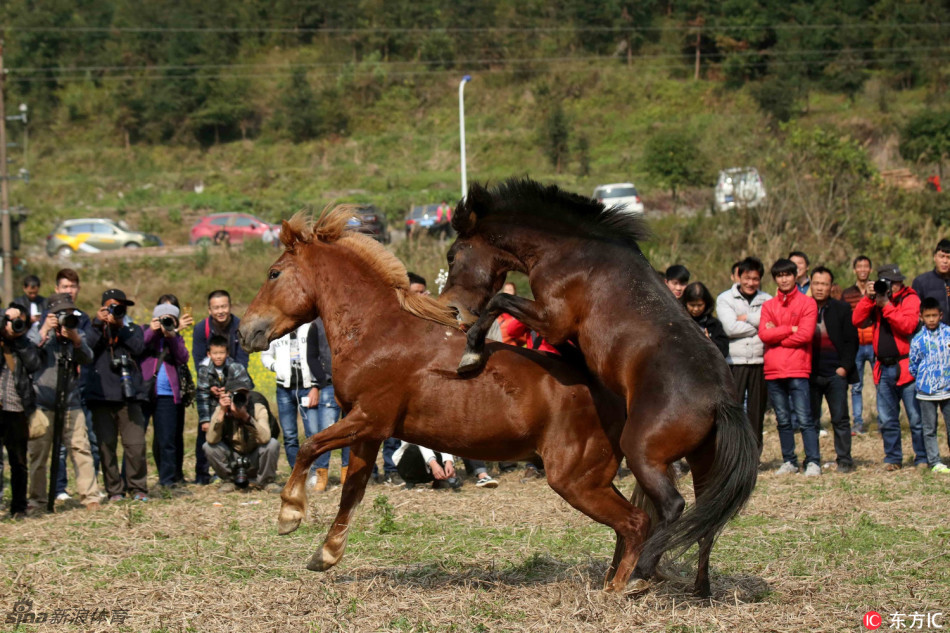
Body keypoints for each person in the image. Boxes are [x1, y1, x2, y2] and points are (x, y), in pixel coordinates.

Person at [27, 293, 100, 510]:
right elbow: (29, 357)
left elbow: (88, 358)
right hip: (42, 401)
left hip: (71, 401)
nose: (65, 317)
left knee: (81, 448)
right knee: (39, 454)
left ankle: (90, 497)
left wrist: (76, 340)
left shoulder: (74, 331)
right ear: (50, 314)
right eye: (61, 314)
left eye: (69, 313)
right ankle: (37, 499)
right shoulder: (38, 331)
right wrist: (44, 332)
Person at [852, 264, 926, 471]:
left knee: (916, 417)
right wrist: (869, 299)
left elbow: (907, 326)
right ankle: (893, 458)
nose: (892, 286)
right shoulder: (874, 299)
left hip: (906, 365)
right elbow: (857, 320)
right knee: (887, 419)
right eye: (888, 283)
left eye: (896, 282)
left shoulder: (910, 298)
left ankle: (921, 457)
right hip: (882, 367)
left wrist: (886, 305)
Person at [83, 289, 149, 502]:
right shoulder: (93, 328)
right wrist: (98, 323)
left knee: (136, 445)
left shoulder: (132, 328)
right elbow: (87, 350)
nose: (117, 311)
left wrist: (121, 327)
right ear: (103, 307)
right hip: (101, 395)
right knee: (106, 445)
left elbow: (139, 348)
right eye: (112, 306)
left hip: (129, 395)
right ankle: (114, 490)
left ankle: (138, 487)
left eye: (121, 307)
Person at [759, 258, 819, 476]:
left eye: (787, 275)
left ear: (796, 276)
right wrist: (789, 328)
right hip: (774, 370)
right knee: (782, 420)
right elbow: (764, 334)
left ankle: (813, 461)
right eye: (779, 275)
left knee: (804, 418)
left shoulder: (807, 303)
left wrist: (778, 332)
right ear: (775, 278)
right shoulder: (769, 305)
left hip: (798, 368)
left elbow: (805, 335)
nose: (784, 279)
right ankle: (789, 460)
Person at [716, 257, 771, 450]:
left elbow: (774, 325)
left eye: (755, 279)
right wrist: (761, 326)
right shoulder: (725, 299)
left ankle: (754, 454)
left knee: (757, 411)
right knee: (733, 410)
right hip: (735, 361)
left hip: (760, 361)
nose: (750, 283)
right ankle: (731, 452)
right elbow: (730, 328)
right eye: (747, 278)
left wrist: (747, 318)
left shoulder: (768, 300)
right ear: (739, 277)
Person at [808, 267, 858, 473]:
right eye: (817, 284)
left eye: (824, 284)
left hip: (835, 373)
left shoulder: (842, 309)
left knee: (840, 418)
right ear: (811, 284)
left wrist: (844, 368)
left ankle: (844, 459)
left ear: (831, 286)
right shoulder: (804, 307)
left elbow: (851, 341)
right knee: (810, 420)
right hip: (810, 374)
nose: (820, 288)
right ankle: (812, 459)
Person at [139, 302, 189, 490]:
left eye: (170, 320)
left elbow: (183, 357)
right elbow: (137, 348)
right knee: (136, 439)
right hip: (144, 393)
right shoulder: (145, 332)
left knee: (167, 440)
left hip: (168, 396)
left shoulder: (176, 338)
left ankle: (167, 480)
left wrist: (172, 336)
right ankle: (132, 480)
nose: (166, 322)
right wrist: (152, 331)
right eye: (163, 319)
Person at [261, 324, 322, 475]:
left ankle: (314, 472)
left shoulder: (309, 327)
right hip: (284, 389)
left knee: (313, 433)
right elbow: (265, 355)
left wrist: (316, 386)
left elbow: (319, 355)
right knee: (289, 435)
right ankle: (297, 473)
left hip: (307, 387)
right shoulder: (275, 329)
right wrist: (277, 367)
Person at [0, 302, 41, 518]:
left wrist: (20, 340)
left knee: (18, 461)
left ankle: (19, 507)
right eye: (12, 321)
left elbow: (34, 364)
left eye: (19, 322)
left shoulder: (25, 343)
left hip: (16, 407)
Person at [196, 335, 253, 484]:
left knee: (233, 440)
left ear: (227, 353)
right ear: (209, 354)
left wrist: (228, 391)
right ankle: (214, 473)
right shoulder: (204, 369)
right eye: (215, 353)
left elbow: (246, 385)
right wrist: (205, 419)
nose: (218, 356)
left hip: (234, 409)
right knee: (212, 441)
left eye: (221, 353)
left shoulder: (236, 367)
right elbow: (201, 395)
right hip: (215, 410)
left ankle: (240, 469)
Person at [203, 386, 280, 493]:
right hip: (233, 458)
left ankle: (267, 481)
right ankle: (228, 481)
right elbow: (211, 439)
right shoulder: (221, 409)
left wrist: (247, 418)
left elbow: (265, 438)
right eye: (235, 396)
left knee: (272, 444)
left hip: (254, 457)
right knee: (208, 447)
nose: (240, 399)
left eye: (243, 395)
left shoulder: (257, 408)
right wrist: (221, 412)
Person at [304, 317, 350, 492]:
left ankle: (347, 472)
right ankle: (321, 474)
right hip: (330, 386)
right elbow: (311, 357)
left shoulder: (350, 319)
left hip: (350, 385)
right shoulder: (315, 325)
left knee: (350, 432)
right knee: (326, 432)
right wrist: (323, 381)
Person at [908, 297, 950, 473]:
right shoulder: (918, 339)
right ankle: (934, 461)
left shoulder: (948, 333)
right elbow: (913, 365)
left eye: (934, 315)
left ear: (940, 315)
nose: (931, 319)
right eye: (928, 316)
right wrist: (924, 379)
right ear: (921, 317)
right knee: (929, 427)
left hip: (948, 390)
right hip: (926, 392)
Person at [842, 255, 875, 435]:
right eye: (859, 267)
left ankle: (884, 421)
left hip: (875, 343)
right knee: (856, 385)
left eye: (866, 266)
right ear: (854, 270)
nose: (862, 269)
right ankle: (858, 422)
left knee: (880, 383)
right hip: (856, 345)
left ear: (870, 269)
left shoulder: (877, 290)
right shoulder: (847, 294)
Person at [192, 290, 250, 370]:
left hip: (237, 376)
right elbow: (199, 362)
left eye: (224, 306)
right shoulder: (201, 329)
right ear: (209, 310)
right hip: (209, 376)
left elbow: (242, 360)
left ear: (230, 307)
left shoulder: (241, 327)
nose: (220, 311)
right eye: (216, 308)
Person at [681, 282, 728, 358]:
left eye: (699, 305)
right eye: (692, 305)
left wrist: (710, 342)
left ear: (706, 303)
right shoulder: (680, 323)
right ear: (685, 303)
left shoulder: (714, 324)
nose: (696, 309)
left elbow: (724, 350)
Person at [392, 440, 461, 490]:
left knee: (438, 445)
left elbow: (444, 439)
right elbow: (420, 440)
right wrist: (433, 464)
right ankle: (411, 480)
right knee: (414, 448)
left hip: (429, 466)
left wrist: (448, 461)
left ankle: (440, 479)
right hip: (409, 463)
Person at [912, 238, 950, 326]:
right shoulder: (921, 282)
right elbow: (915, 314)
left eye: (948, 257)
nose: (945, 261)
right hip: (930, 337)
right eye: (942, 256)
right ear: (934, 257)